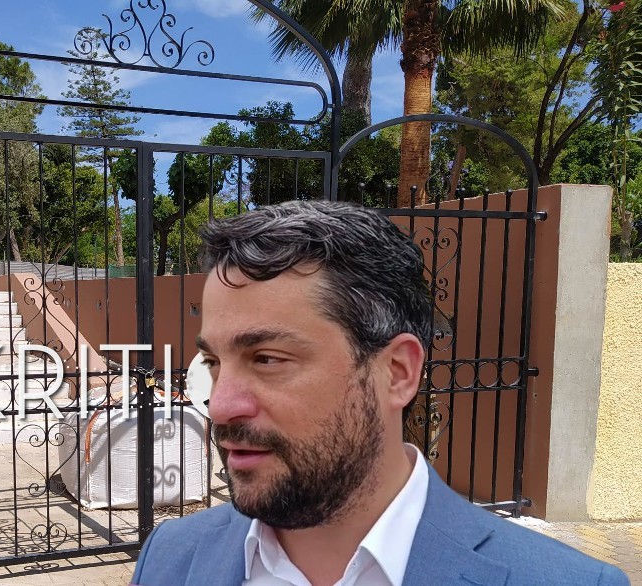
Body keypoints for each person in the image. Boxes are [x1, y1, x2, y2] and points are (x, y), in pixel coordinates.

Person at [131, 200, 629, 586]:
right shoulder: (170, 558)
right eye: (214, 363)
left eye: (267, 359)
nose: (220, 405)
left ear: (397, 372)